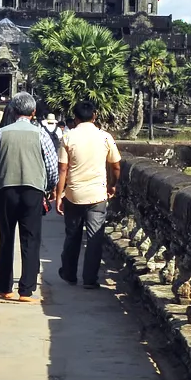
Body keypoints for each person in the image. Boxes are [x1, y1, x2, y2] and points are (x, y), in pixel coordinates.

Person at [0, 93, 59, 303]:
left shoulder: (2, 133)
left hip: (6, 190)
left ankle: (5, 286)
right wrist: (49, 188)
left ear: (14, 111)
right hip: (33, 190)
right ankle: (26, 289)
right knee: (31, 239)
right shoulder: (40, 133)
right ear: (33, 112)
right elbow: (52, 166)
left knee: (6, 238)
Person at [53, 101, 121, 290]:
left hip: (73, 193)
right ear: (95, 116)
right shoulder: (105, 137)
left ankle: (69, 273)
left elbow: (63, 170)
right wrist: (112, 185)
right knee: (94, 237)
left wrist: (59, 195)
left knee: (72, 235)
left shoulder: (68, 137)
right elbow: (116, 166)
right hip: (97, 193)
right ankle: (90, 279)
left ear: (75, 118)